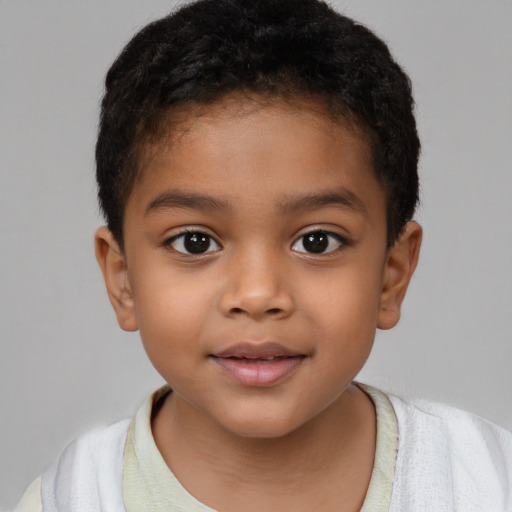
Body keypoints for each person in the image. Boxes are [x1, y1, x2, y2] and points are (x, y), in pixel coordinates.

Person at [12, 0, 512, 510]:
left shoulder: (486, 482)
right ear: (122, 279)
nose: (257, 295)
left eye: (317, 241)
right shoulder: (70, 498)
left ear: (391, 275)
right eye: (195, 241)